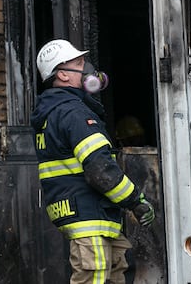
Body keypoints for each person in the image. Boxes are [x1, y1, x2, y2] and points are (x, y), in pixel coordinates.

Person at [31, 39, 156, 284]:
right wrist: (136, 200)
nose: (88, 67)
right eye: (79, 63)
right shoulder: (73, 112)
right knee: (95, 276)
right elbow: (100, 170)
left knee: (114, 274)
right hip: (89, 214)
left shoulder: (55, 113)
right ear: (64, 74)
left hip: (90, 214)